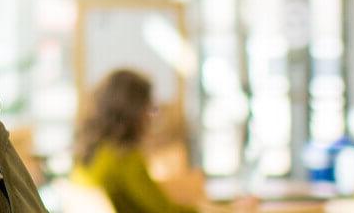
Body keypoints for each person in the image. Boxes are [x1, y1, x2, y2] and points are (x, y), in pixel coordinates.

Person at [71, 69, 255, 213]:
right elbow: (166, 211)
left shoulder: (91, 157)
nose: (151, 117)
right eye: (149, 108)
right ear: (133, 112)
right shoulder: (124, 159)